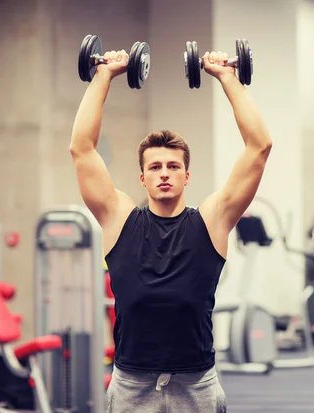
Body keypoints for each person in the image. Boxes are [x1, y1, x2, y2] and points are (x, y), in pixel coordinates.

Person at [69, 48, 272, 412]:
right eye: (157, 166)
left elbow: (259, 147)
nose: (165, 172)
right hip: (132, 383)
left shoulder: (212, 220)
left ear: (186, 176)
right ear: (142, 177)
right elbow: (82, 149)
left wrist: (228, 77)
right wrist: (103, 75)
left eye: (174, 166)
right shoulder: (119, 219)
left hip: (195, 384)